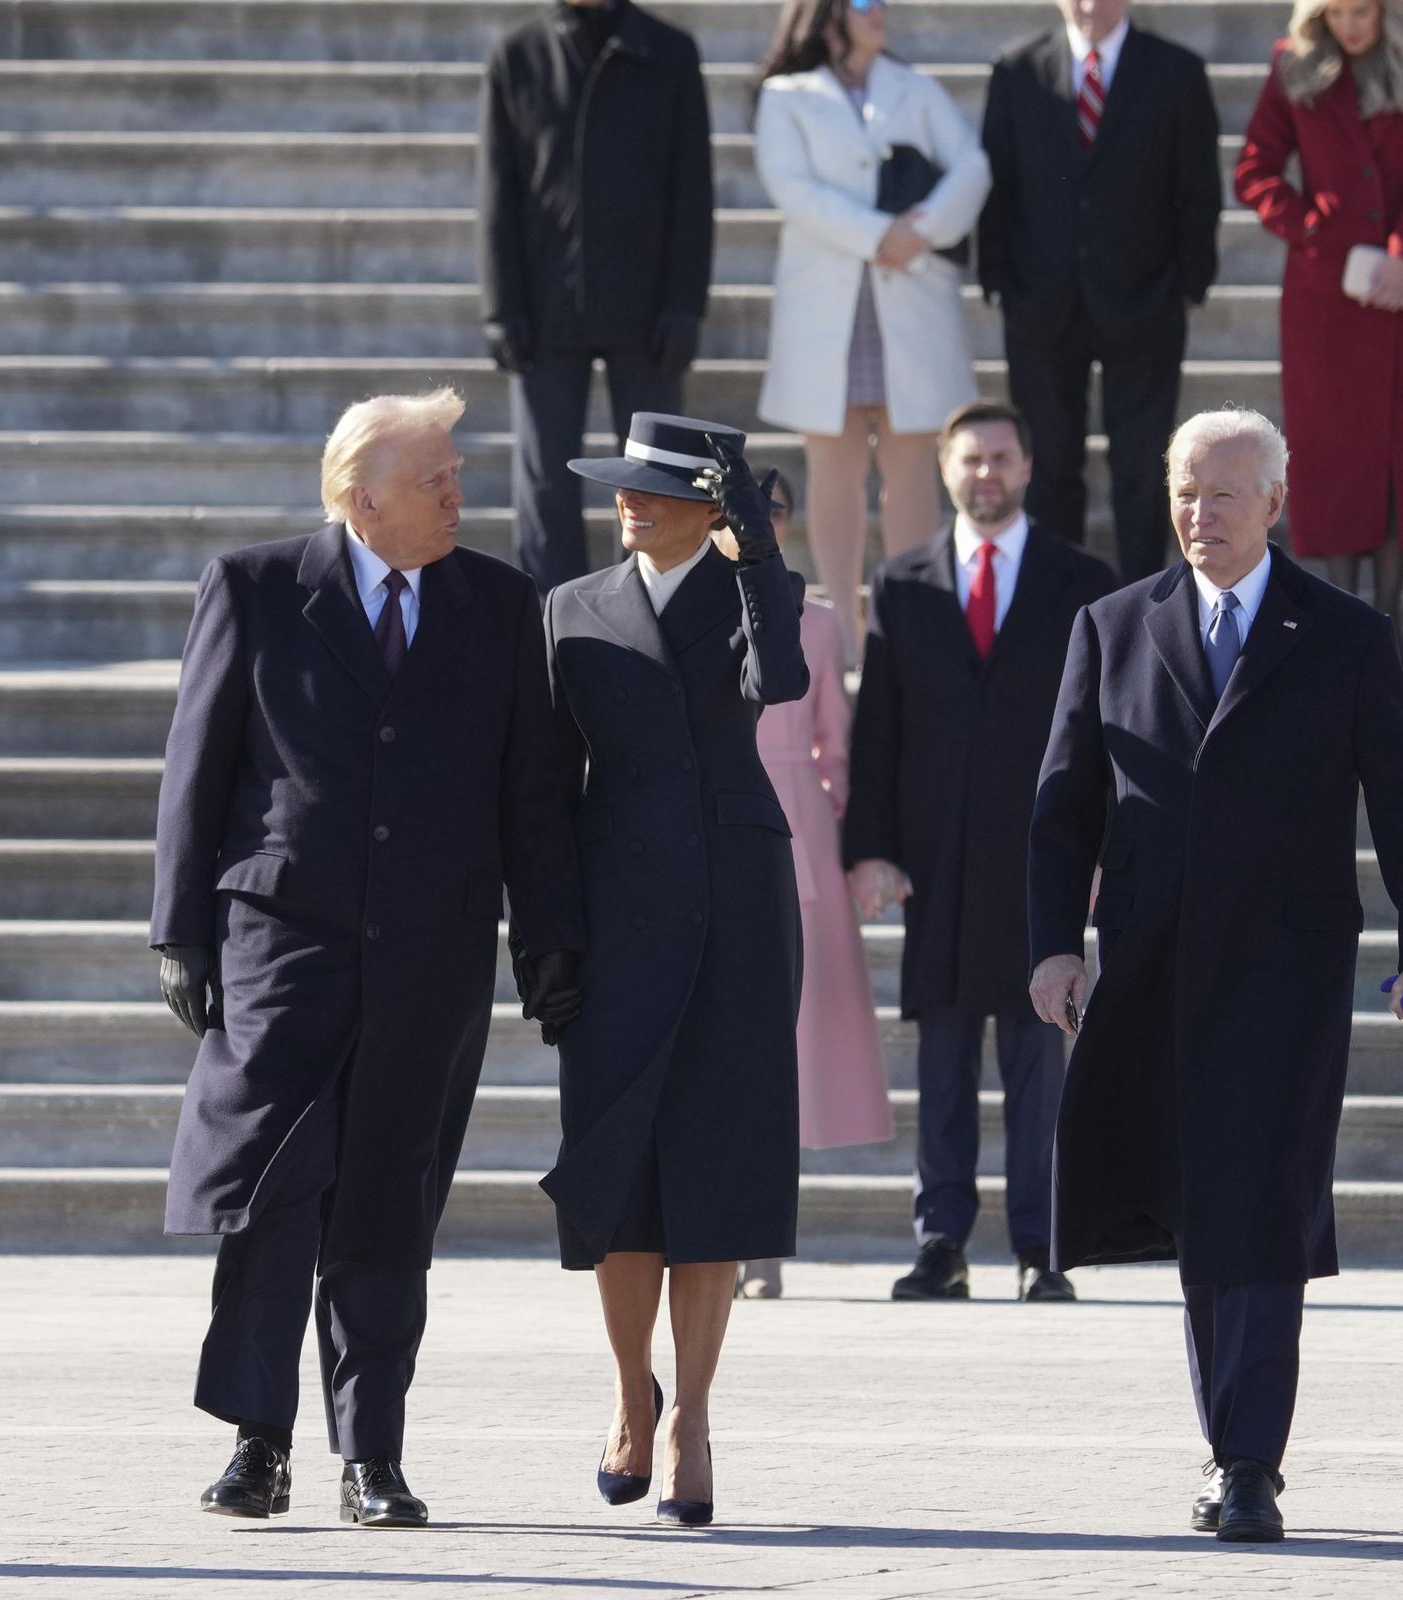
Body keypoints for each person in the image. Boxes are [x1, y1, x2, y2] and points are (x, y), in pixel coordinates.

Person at [1025, 407, 1403, 1541]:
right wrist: (1049, 945)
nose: (1199, 512)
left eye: (1225, 492)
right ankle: (1232, 1446)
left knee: (1263, 1207)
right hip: (1153, 966)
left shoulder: (1346, 635)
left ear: (1278, 501)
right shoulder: (1113, 626)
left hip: (1288, 971)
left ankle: (1249, 1465)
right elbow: (1062, 807)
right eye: (1185, 489)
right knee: (1196, 1204)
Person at [151, 388, 587, 1529]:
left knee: (391, 1206)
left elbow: (530, 793)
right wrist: (180, 928)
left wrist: (549, 934)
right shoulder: (255, 588)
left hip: (433, 954)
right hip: (280, 948)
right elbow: (197, 769)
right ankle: (257, 1443)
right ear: (363, 496)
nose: (460, 493)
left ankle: (372, 1455)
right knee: (270, 1195)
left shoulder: (500, 603)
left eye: (457, 473)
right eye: (437, 477)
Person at [542, 412, 808, 1527]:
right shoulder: (570, 607)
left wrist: (760, 556)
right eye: (622, 489)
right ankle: (627, 1397)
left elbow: (778, 678)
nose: (629, 505)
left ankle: (693, 1413)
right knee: (618, 1167)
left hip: (739, 910)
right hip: (614, 913)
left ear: (713, 505)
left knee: (717, 1163)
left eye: (655, 490)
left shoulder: (757, 592)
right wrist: (544, 932)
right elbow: (544, 787)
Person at [843, 400, 1117, 1302]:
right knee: (944, 1061)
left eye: (1002, 458)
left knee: (1042, 1060)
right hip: (939, 865)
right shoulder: (904, 582)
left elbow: (1112, 732)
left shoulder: (1083, 581)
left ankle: (1044, 1247)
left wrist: (1107, 850)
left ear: (1029, 467)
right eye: (971, 461)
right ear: (947, 471)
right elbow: (876, 729)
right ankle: (942, 1243)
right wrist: (872, 849)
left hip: (1043, 860)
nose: (986, 475)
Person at [754, 0, 992, 665]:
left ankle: (908, 623)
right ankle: (850, 632)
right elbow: (791, 187)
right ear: (827, 14)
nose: (879, 10)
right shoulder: (786, 96)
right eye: (863, 2)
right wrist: (877, 234)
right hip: (827, 309)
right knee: (834, 466)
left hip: (910, 301)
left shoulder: (914, 88)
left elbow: (974, 166)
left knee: (913, 466)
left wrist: (923, 230)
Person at [1233, 0, 1403, 644]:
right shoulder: (1293, 63)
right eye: (1336, 12)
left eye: (1362, 11)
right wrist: (1314, 229)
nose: (1351, 25)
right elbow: (1254, 168)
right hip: (1326, 298)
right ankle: (1338, 619)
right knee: (1335, 457)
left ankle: (1386, 622)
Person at [978, 0, 1223, 581]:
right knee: (1052, 463)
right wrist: (997, 278)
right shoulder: (1017, 67)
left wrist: (1189, 281)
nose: (1090, 5)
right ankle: (1061, 611)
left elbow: (1198, 188)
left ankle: (1146, 609)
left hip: (1145, 302)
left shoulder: (1176, 70)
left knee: (1144, 465)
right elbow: (999, 180)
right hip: (1041, 304)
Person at [478, 0, 712, 592]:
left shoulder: (670, 52)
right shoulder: (519, 54)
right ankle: (551, 630)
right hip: (544, 305)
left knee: (659, 478)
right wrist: (500, 307)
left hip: (649, 307)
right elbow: (496, 191)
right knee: (544, 485)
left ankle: (653, 613)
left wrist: (686, 305)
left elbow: (693, 191)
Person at [740, 471, 895, 1303]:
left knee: (791, 1055)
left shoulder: (822, 625)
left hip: (799, 830)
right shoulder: (691, 611)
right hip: (714, 824)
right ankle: (721, 1244)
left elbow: (839, 747)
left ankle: (760, 1250)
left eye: (774, 513)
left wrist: (844, 842)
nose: (762, 525)